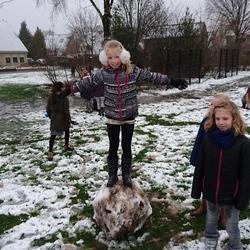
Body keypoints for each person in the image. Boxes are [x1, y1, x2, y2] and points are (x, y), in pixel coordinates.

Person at [72, 39, 188, 188]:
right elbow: (86, 82)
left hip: (128, 116)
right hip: (112, 116)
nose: (114, 61)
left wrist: (171, 81)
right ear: (104, 58)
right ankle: (112, 175)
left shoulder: (132, 70)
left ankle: (126, 174)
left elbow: (152, 77)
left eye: (117, 56)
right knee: (113, 147)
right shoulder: (103, 73)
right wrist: (69, 89)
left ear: (124, 56)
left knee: (126, 146)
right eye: (110, 57)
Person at [191, 100, 250, 250]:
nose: (221, 122)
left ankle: (235, 246)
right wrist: (197, 189)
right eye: (217, 119)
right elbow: (200, 167)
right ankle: (210, 244)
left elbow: (246, 174)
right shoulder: (208, 140)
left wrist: (242, 197)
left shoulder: (243, 144)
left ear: (234, 119)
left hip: (232, 195)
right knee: (210, 222)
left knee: (231, 226)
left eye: (225, 119)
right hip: (210, 193)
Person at [190, 93, 230, 217]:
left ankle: (223, 213)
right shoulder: (206, 121)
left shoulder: (225, 124)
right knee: (204, 182)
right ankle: (203, 206)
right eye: (211, 104)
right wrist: (196, 157)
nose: (212, 107)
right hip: (205, 159)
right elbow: (199, 141)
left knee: (222, 186)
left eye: (216, 105)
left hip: (219, 161)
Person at [46, 81, 73, 161]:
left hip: (54, 117)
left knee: (53, 135)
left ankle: (50, 152)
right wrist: (69, 118)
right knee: (67, 130)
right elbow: (66, 109)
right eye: (63, 87)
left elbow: (47, 108)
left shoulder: (51, 96)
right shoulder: (63, 97)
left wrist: (51, 116)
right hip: (63, 117)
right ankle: (66, 146)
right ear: (61, 88)